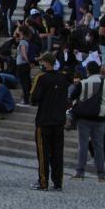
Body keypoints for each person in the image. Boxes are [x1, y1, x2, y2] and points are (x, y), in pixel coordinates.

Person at [29, 53, 69, 191]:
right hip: (59, 120)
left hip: (44, 120)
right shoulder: (63, 78)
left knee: (43, 153)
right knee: (57, 153)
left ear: (46, 63)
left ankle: (43, 182)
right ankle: (58, 183)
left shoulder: (41, 77)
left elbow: (34, 98)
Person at [71, 61, 105, 182]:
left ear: (87, 70)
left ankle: (80, 172)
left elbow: (73, 96)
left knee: (83, 145)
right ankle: (101, 174)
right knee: (99, 146)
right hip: (100, 117)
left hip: (84, 117)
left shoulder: (82, 83)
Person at [14, 25, 33, 104]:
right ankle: (27, 98)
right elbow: (15, 35)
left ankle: (26, 100)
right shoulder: (24, 40)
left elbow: (23, 53)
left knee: (24, 83)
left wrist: (28, 62)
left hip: (22, 65)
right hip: (23, 64)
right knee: (26, 82)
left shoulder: (23, 42)